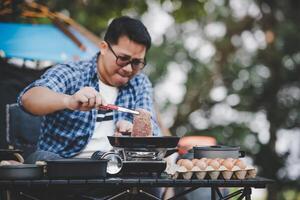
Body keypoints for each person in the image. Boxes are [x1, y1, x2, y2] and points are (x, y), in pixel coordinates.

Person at [18, 16, 161, 163]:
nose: (128, 68)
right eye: (123, 58)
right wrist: (68, 100)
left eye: (137, 62)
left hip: (116, 169)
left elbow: (153, 127)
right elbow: (28, 98)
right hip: (63, 167)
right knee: (43, 158)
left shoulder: (140, 83)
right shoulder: (72, 73)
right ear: (104, 48)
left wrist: (133, 131)